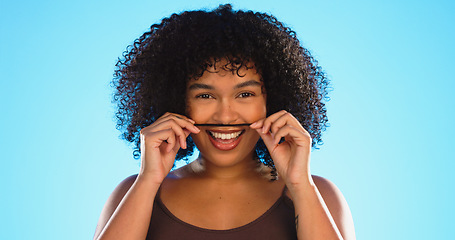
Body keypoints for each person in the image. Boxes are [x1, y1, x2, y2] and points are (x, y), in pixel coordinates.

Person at [94, 4, 355, 240]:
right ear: (176, 102)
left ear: (273, 101)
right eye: (205, 95)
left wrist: (299, 185)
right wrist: (148, 180)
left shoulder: (318, 194)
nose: (225, 116)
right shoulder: (134, 192)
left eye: (245, 94)